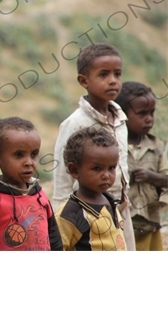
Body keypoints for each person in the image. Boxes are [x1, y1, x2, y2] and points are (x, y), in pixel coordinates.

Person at [52, 43, 136, 250]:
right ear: (84, 81)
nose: (113, 80)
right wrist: (58, 221)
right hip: (85, 211)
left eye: (117, 74)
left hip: (118, 209)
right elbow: (62, 178)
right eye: (103, 75)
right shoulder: (75, 123)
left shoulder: (121, 120)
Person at [0, 117, 63, 251]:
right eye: (19, 155)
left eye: (34, 154)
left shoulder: (40, 196)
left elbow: (56, 243)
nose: (29, 162)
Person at [115, 81, 168, 251]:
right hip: (122, 224)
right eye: (142, 113)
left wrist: (150, 176)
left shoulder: (157, 146)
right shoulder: (114, 145)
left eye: (152, 113)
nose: (149, 119)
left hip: (151, 223)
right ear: (123, 114)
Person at [55, 126, 127, 251]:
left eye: (111, 168)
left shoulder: (111, 202)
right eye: (97, 168)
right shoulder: (69, 214)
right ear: (75, 170)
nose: (106, 175)